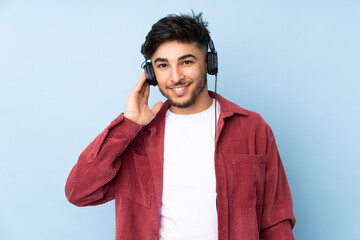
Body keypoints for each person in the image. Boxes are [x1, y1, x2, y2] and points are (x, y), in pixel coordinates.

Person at [65, 12, 296, 240]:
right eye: (163, 65)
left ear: (209, 63)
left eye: (186, 62)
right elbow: (79, 192)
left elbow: (275, 222)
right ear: (151, 73)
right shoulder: (137, 135)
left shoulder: (252, 128)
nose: (175, 77)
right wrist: (128, 124)